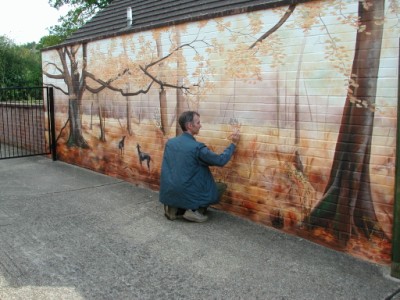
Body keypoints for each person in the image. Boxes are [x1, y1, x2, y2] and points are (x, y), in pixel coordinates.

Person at [159, 111, 240, 223]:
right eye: (198, 123)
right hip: (187, 190)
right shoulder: (197, 148)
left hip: (169, 191)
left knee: (186, 179)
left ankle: (174, 208)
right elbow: (221, 161)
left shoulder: (170, 143)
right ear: (189, 126)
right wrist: (233, 144)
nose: (200, 125)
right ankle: (194, 212)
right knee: (220, 187)